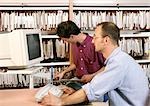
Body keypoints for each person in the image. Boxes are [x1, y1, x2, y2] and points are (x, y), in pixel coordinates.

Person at [40, 22, 149, 106]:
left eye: (96, 37)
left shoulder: (118, 64)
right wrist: (75, 93)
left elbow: (91, 90)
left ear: (106, 40)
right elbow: (105, 93)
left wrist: (60, 101)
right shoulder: (118, 60)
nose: (92, 41)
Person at [54, 20, 105, 90]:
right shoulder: (74, 44)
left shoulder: (95, 44)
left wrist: (92, 76)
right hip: (79, 81)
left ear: (72, 37)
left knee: (66, 97)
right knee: (61, 91)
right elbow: (76, 64)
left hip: (94, 83)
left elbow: (107, 66)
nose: (65, 42)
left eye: (65, 40)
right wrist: (63, 72)